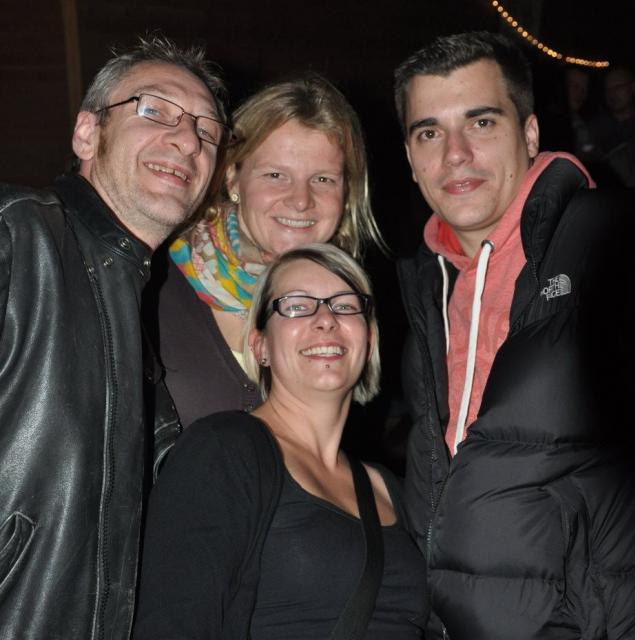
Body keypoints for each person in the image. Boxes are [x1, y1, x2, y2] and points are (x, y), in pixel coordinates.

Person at [394, 31, 635, 639]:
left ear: (529, 135)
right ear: (410, 158)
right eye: (429, 133)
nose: (455, 154)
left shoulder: (610, 243)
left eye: (481, 122)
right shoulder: (426, 288)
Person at [0, 35, 227, 639]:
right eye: (155, 110)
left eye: (207, 131)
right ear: (87, 133)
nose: (188, 140)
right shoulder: (17, 236)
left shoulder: (132, 314)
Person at [133, 244, 427, 639]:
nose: (326, 320)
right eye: (296, 306)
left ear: (369, 341)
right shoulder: (224, 451)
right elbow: (170, 623)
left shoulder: (388, 488)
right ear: (261, 346)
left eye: (344, 306)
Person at [143, 74, 384, 430]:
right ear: (232, 177)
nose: (301, 200)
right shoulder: (152, 282)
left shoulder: (345, 311)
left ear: (346, 193)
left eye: (322, 179)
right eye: (275, 175)